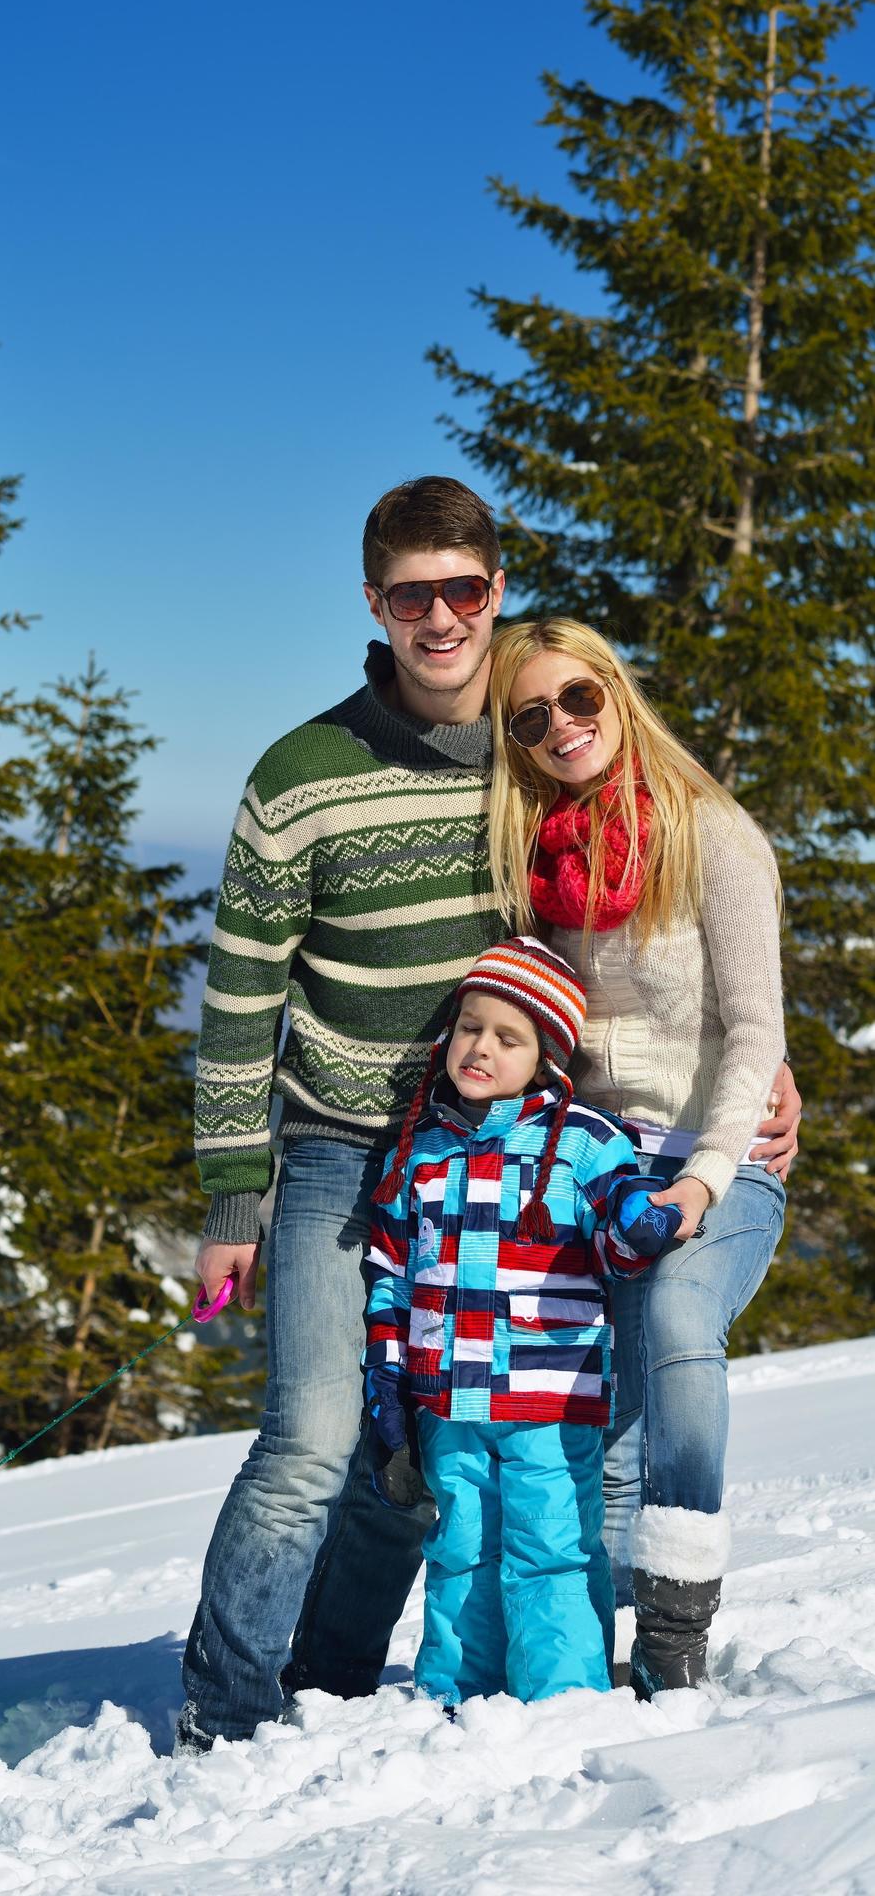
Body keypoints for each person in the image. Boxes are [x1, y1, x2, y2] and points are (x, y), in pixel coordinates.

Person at [178, 478, 798, 1752]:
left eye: (464, 589)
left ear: (495, 590)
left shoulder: (527, 781)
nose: (442, 616)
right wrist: (235, 1197)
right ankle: (228, 1710)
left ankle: (352, 1680)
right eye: (415, 595)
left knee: (473, 1438)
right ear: (376, 604)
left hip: (513, 1163)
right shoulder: (306, 774)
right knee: (314, 1440)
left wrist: (757, 1083)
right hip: (346, 1149)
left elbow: (658, 976)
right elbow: (240, 997)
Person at [487, 617, 788, 1697]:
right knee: (593, 1408)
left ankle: (676, 1624)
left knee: (672, 1318)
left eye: (578, 699)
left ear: (615, 694)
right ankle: (590, 1647)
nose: (561, 726)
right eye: (531, 717)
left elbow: (757, 1033)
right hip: (596, 1171)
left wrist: (707, 1175)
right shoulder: (533, 860)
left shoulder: (710, 834)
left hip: (723, 1160)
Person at [363, 937, 680, 1705]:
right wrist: (389, 1376)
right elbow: (389, 1271)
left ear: (545, 1058)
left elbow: (615, 1240)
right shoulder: (419, 1149)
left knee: (551, 1547)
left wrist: (637, 1222)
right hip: (448, 1401)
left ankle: (561, 1698)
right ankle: (458, 1696)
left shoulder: (583, 1142)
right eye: (470, 1026)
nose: (480, 1047)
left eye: (508, 1038)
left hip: (548, 1398)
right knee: (462, 1547)